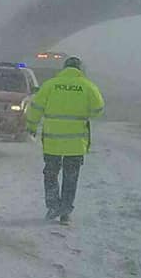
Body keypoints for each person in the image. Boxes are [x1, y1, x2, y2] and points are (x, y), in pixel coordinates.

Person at [25, 55, 105, 224]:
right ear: (80, 69)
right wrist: (84, 114)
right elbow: (98, 109)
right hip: (76, 143)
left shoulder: (50, 85)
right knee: (71, 176)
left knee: (51, 173)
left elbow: (36, 107)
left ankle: (53, 205)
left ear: (64, 68)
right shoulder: (87, 86)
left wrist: (32, 126)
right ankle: (65, 212)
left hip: (52, 141)